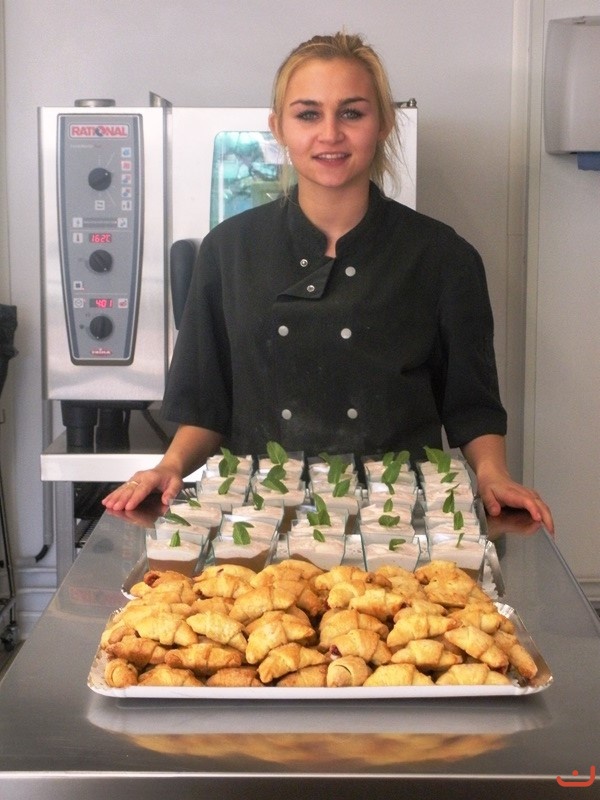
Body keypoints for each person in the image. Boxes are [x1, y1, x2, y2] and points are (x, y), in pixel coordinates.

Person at [103, 31, 553, 532]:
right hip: (261, 519)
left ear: (382, 124)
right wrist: (169, 465)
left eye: (352, 113)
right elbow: (207, 405)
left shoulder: (443, 256)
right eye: (308, 114)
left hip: (398, 522)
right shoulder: (228, 250)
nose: (330, 134)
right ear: (279, 127)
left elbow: (472, 407)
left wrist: (493, 474)